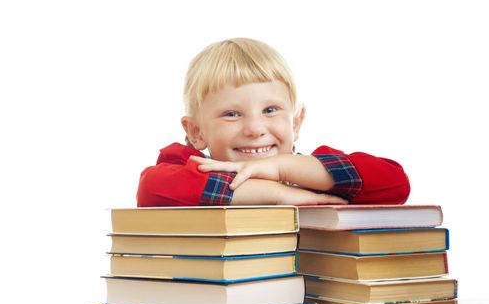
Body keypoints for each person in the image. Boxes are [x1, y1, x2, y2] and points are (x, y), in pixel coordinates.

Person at [137, 38, 410, 207]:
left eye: (270, 110)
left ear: (296, 123)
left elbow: (396, 184)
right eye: (232, 114)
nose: (255, 129)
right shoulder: (188, 168)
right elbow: (151, 188)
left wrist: (282, 168)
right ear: (196, 132)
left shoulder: (314, 173)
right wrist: (277, 194)